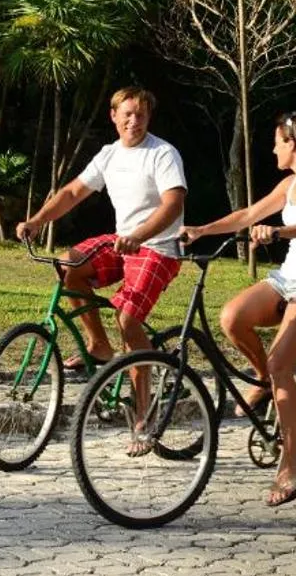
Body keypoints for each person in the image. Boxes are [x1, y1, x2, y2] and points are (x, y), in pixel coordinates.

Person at [181, 111, 296, 507]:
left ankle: (291, 465)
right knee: (232, 318)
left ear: (292, 143)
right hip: (289, 278)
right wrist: (202, 230)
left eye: (277, 141)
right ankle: (263, 381)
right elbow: (247, 215)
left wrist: (278, 231)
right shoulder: (289, 184)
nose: (273, 148)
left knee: (281, 365)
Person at [14, 86, 187, 367]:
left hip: (159, 248)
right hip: (122, 242)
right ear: (113, 115)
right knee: (68, 266)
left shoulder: (163, 153)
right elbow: (72, 193)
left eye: (141, 115)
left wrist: (139, 235)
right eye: (128, 114)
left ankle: (142, 407)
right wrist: (37, 221)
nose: (134, 121)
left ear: (149, 118)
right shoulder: (109, 154)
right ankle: (99, 346)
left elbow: (173, 204)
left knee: (127, 322)